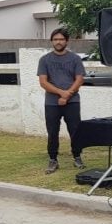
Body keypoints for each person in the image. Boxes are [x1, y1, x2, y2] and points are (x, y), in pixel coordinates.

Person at [37, 28, 85, 174]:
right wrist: (61, 93)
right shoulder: (45, 60)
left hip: (72, 102)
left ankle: (77, 156)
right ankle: (53, 160)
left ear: (66, 41)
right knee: (52, 132)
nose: (58, 42)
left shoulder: (75, 59)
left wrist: (67, 95)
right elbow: (43, 82)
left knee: (75, 131)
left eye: (61, 39)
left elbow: (80, 79)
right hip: (52, 103)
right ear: (52, 41)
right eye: (55, 39)